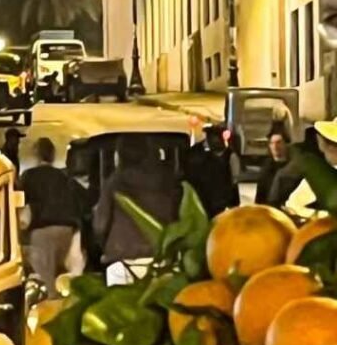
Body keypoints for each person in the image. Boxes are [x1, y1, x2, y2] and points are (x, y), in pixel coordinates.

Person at [93, 135, 183, 267]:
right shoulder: (168, 182)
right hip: (160, 255)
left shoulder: (114, 183)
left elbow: (100, 225)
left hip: (122, 255)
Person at [19, 137, 84, 290]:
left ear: (36, 155)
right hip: (67, 230)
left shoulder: (29, 176)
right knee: (66, 282)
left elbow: (21, 203)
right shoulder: (64, 177)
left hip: (42, 232)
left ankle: (48, 310)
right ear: (53, 156)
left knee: (45, 284)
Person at [185, 124, 240, 217]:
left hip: (218, 200)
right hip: (207, 198)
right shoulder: (201, 154)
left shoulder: (228, 155)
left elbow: (234, 179)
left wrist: (232, 201)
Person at [255, 132, 289, 205]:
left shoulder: (292, 166)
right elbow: (260, 193)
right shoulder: (266, 168)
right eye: (272, 143)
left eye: (278, 142)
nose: (275, 146)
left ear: (285, 144)